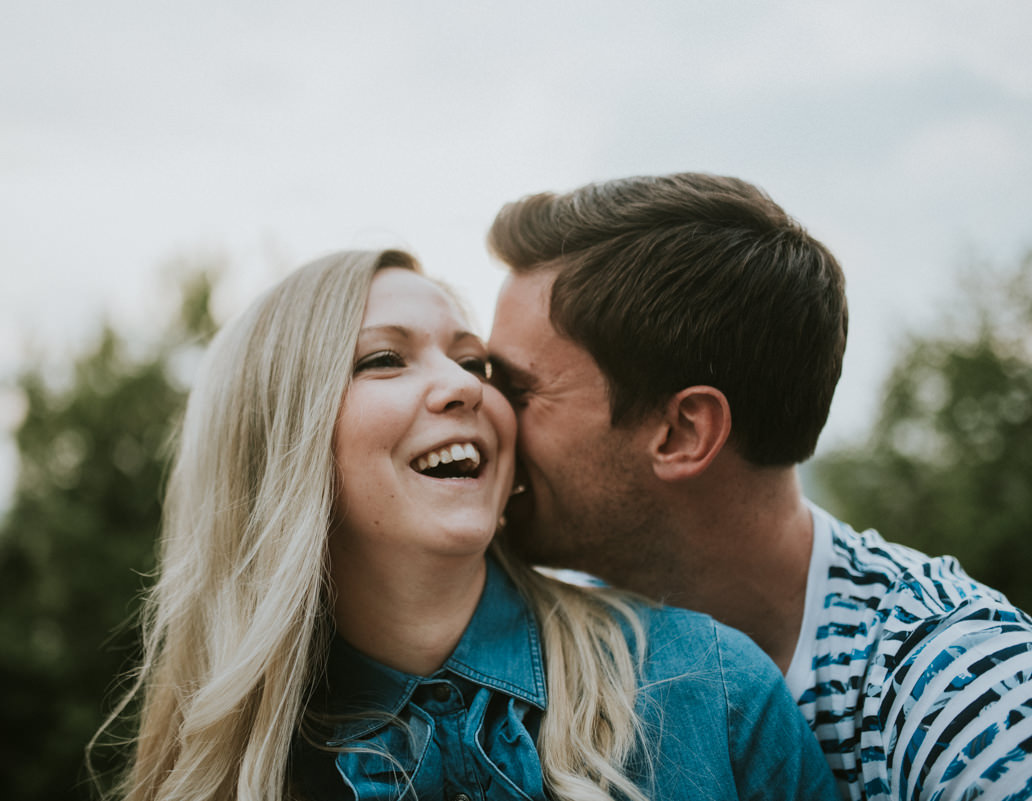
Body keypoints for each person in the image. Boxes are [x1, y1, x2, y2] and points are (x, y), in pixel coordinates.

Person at [94, 248, 839, 801]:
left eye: (473, 362)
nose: (460, 386)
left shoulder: (707, 686)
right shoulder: (218, 772)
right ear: (276, 442)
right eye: (385, 359)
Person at [485, 172, 1032, 801]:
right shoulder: (533, 649)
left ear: (682, 432)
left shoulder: (962, 690)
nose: (486, 415)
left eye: (519, 391)